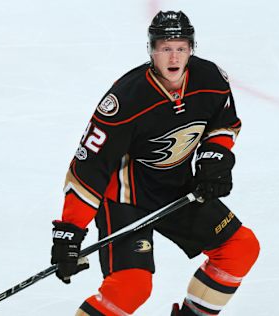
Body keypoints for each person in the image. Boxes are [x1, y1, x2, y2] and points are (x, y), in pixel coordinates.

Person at [50, 10, 260, 316]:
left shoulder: (211, 80)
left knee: (239, 249)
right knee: (131, 288)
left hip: (177, 190)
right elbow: (89, 166)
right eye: (165, 48)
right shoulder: (126, 100)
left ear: (192, 48)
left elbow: (223, 124)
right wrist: (70, 230)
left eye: (180, 48)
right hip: (126, 200)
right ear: (151, 50)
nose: (173, 57)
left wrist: (214, 157)